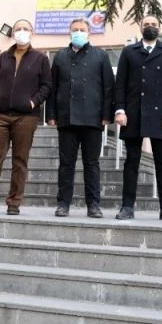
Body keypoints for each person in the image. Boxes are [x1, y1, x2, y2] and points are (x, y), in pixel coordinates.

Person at [0, 19, 52, 215]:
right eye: (18, 29)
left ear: (32, 32)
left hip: (26, 117)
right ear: (13, 33)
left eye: (25, 28)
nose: (21, 31)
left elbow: (47, 86)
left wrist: (33, 102)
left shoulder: (41, 59)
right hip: (0, 115)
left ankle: (14, 203)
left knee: (20, 160)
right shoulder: (2, 58)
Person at [114, 15, 162, 222]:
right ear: (140, 27)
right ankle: (127, 207)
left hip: (160, 116)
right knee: (131, 162)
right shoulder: (129, 52)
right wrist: (120, 110)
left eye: (153, 24)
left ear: (159, 27)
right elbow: (120, 84)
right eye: (146, 24)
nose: (150, 27)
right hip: (133, 114)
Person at [46, 18, 114, 218]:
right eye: (75, 29)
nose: (78, 32)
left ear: (88, 32)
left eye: (82, 29)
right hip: (66, 118)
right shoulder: (60, 56)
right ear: (69, 32)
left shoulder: (101, 56)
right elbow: (52, 88)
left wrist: (106, 115)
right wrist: (51, 114)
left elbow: (108, 87)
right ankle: (63, 204)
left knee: (92, 164)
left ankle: (93, 205)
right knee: (66, 164)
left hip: (93, 118)